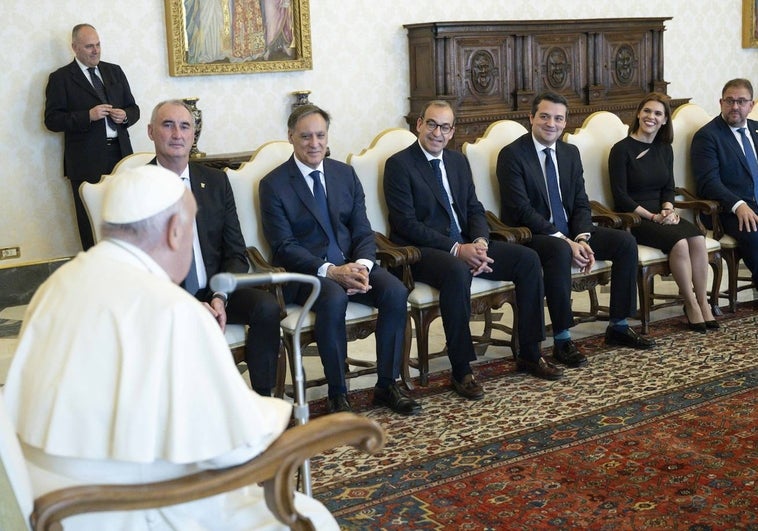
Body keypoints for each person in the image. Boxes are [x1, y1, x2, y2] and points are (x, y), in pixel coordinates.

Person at [2, 165, 338, 530]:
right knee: (313, 517)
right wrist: (276, 415)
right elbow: (236, 449)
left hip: (52, 498)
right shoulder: (175, 310)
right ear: (175, 232)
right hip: (133, 508)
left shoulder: (59, 283)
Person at [384, 99, 560, 399]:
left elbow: (474, 209)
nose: (437, 133)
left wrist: (479, 242)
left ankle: (531, 352)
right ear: (419, 125)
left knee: (528, 260)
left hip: (467, 243)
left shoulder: (457, 161)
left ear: (452, 131)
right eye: (432, 124)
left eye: (445, 127)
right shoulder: (400, 165)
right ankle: (462, 369)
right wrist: (457, 249)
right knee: (456, 271)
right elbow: (406, 224)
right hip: (424, 252)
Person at [259, 104, 418, 415]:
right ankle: (337, 392)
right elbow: (283, 246)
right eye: (305, 136)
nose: (314, 143)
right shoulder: (274, 184)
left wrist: (363, 266)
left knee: (396, 291)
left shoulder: (344, 174)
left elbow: (362, 228)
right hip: (305, 275)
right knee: (332, 295)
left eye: (320, 135)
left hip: (352, 264)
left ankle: (387, 383)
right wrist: (331, 271)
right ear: (291, 136)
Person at [497, 91, 656, 357]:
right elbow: (520, 209)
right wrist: (565, 240)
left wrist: (581, 238)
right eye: (545, 117)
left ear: (565, 122)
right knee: (559, 250)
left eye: (558, 118)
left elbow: (581, 201)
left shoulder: (569, 152)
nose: (551, 124)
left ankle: (618, 324)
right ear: (531, 117)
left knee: (625, 242)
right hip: (532, 235)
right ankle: (563, 339)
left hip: (572, 232)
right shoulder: (512, 155)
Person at [148, 99, 281, 397]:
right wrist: (189, 305)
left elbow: (235, 251)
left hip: (215, 289)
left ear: (193, 135)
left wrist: (220, 296)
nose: (177, 134)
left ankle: (264, 400)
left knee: (266, 308)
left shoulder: (216, 181)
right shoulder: (137, 187)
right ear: (151, 132)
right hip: (166, 298)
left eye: (185, 127)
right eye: (168, 125)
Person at [609, 93, 718, 332]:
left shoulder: (664, 149)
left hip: (661, 213)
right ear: (638, 113)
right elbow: (621, 196)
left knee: (698, 239)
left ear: (665, 120)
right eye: (647, 111)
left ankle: (703, 302)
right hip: (636, 217)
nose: (651, 117)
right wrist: (653, 217)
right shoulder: (621, 150)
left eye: (658, 113)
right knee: (679, 243)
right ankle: (690, 304)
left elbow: (669, 187)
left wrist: (668, 209)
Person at [45, 23, 140, 250]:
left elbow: (134, 109)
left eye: (98, 45)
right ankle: (94, 269)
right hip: (85, 161)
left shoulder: (114, 71)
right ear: (75, 47)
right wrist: (87, 116)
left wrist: (124, 116)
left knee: (125, 215)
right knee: (91, 221)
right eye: (89, 46)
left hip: (121, 155)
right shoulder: (61, 78)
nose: (96, 50)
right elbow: (52, 120)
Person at [692, 78, 758, 285]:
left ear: (751, 105)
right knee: (755, 235)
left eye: (741, 101)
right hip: (727, 210)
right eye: (729, 101)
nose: (735, 106)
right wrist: (738, 205)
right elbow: (708, 182)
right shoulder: (708, 136)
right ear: (721, 103)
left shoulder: (757, 129)